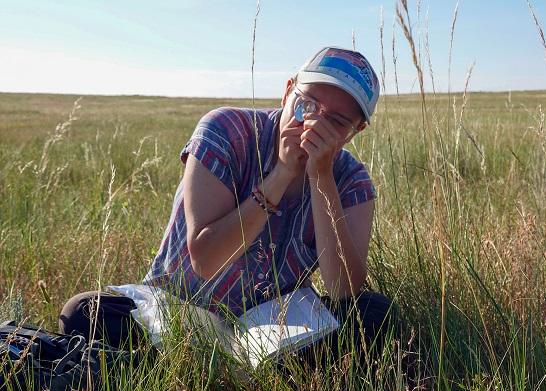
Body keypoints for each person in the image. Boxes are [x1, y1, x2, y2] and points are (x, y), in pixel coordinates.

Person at [59, 47, 396, 366]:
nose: (312, 125)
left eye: (335, 122)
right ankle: (193, 369)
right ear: (287, 91)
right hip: (179, 311)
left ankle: (219, 372)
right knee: (85, 312)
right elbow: (205, 260)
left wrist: (321, 178)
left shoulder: (351, 180)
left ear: (355, 131)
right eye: (306, 105)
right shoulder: (227, 131)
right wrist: (281, 175)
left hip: (273, 326)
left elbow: (342, 289)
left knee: (374, 314)